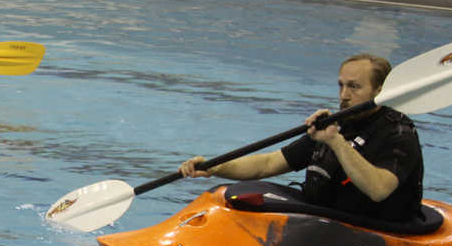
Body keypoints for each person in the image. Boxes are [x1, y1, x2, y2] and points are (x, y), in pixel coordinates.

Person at [179, 53, 423, 222]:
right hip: (329, 216)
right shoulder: (336, 123)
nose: (344, 95)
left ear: (380, 91)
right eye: (341, 86)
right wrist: (215, 167)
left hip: (377, 225)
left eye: (354, 87)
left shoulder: (399, 134)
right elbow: (269, 164)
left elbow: (379, 189)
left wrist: (334, 141)